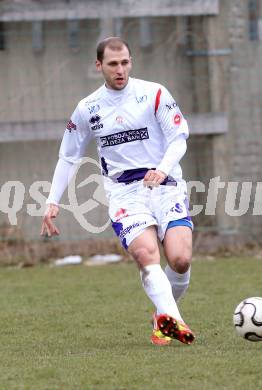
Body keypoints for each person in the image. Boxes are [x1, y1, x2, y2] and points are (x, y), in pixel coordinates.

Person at [41, 37, 195, 346]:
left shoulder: (154, 93)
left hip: (165, 186)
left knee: (180, 260)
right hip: (125, 193)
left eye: (125, 62)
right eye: (113, 64)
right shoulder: (88, 109)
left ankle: (161, 317)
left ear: (130, 62)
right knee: (145, 253)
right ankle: (173, 320)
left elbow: (179, 137)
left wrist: (162, 168)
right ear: (99, 66)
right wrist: (52, 200)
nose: (120, 69)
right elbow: (69, 156)